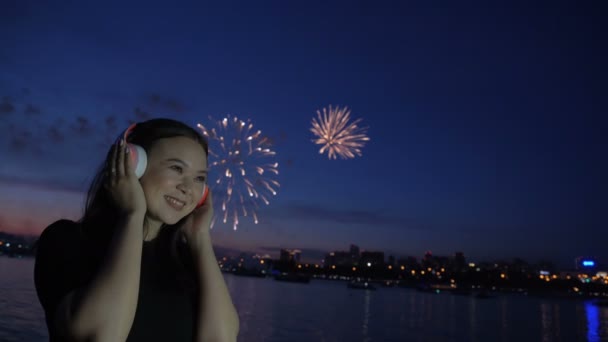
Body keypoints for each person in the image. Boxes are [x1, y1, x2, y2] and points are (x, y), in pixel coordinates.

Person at [33, 118, 239, 342]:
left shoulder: (187, 261)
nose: (188, 188)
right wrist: (132, 215)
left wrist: (200, 238)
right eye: (176, 168)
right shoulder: (66, 240)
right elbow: (102, 334)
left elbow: (221, 338)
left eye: (199, 178)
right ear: (133, 165)